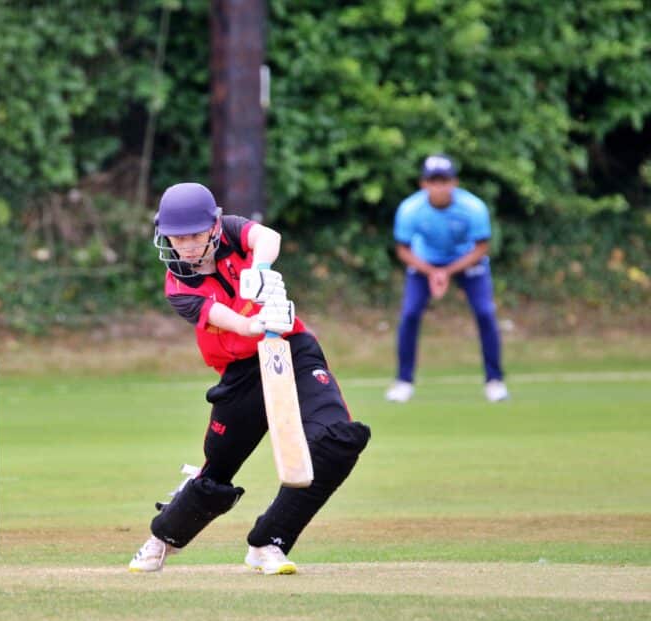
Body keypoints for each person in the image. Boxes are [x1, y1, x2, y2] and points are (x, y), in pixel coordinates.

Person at [129, 182, 371, 575]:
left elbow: (268, 236)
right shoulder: (178, 286)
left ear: (213, 226)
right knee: (216, 474)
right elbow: (221, 318)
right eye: (177, 237)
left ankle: (268, 543)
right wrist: (251, 323)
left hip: (293, 349)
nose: (186, 246)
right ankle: (163, 538)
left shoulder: (232, 230)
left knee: (337, 443)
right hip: (241, 374)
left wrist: (259, 270)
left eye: (194, 235)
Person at [385, 154, 509, 403]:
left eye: (444, 181)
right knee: (409, 314)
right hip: (424, 262)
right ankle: (403, 381)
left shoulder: (473, 208)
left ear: (455, 183)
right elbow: (403, 250)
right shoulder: (410, 209)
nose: (439, 187)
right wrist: (432, 272)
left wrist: (447, 272)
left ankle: (494, 381)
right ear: (424, 184)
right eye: (433, 181)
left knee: (485, 312)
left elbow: (481, 248)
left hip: (467, 261)